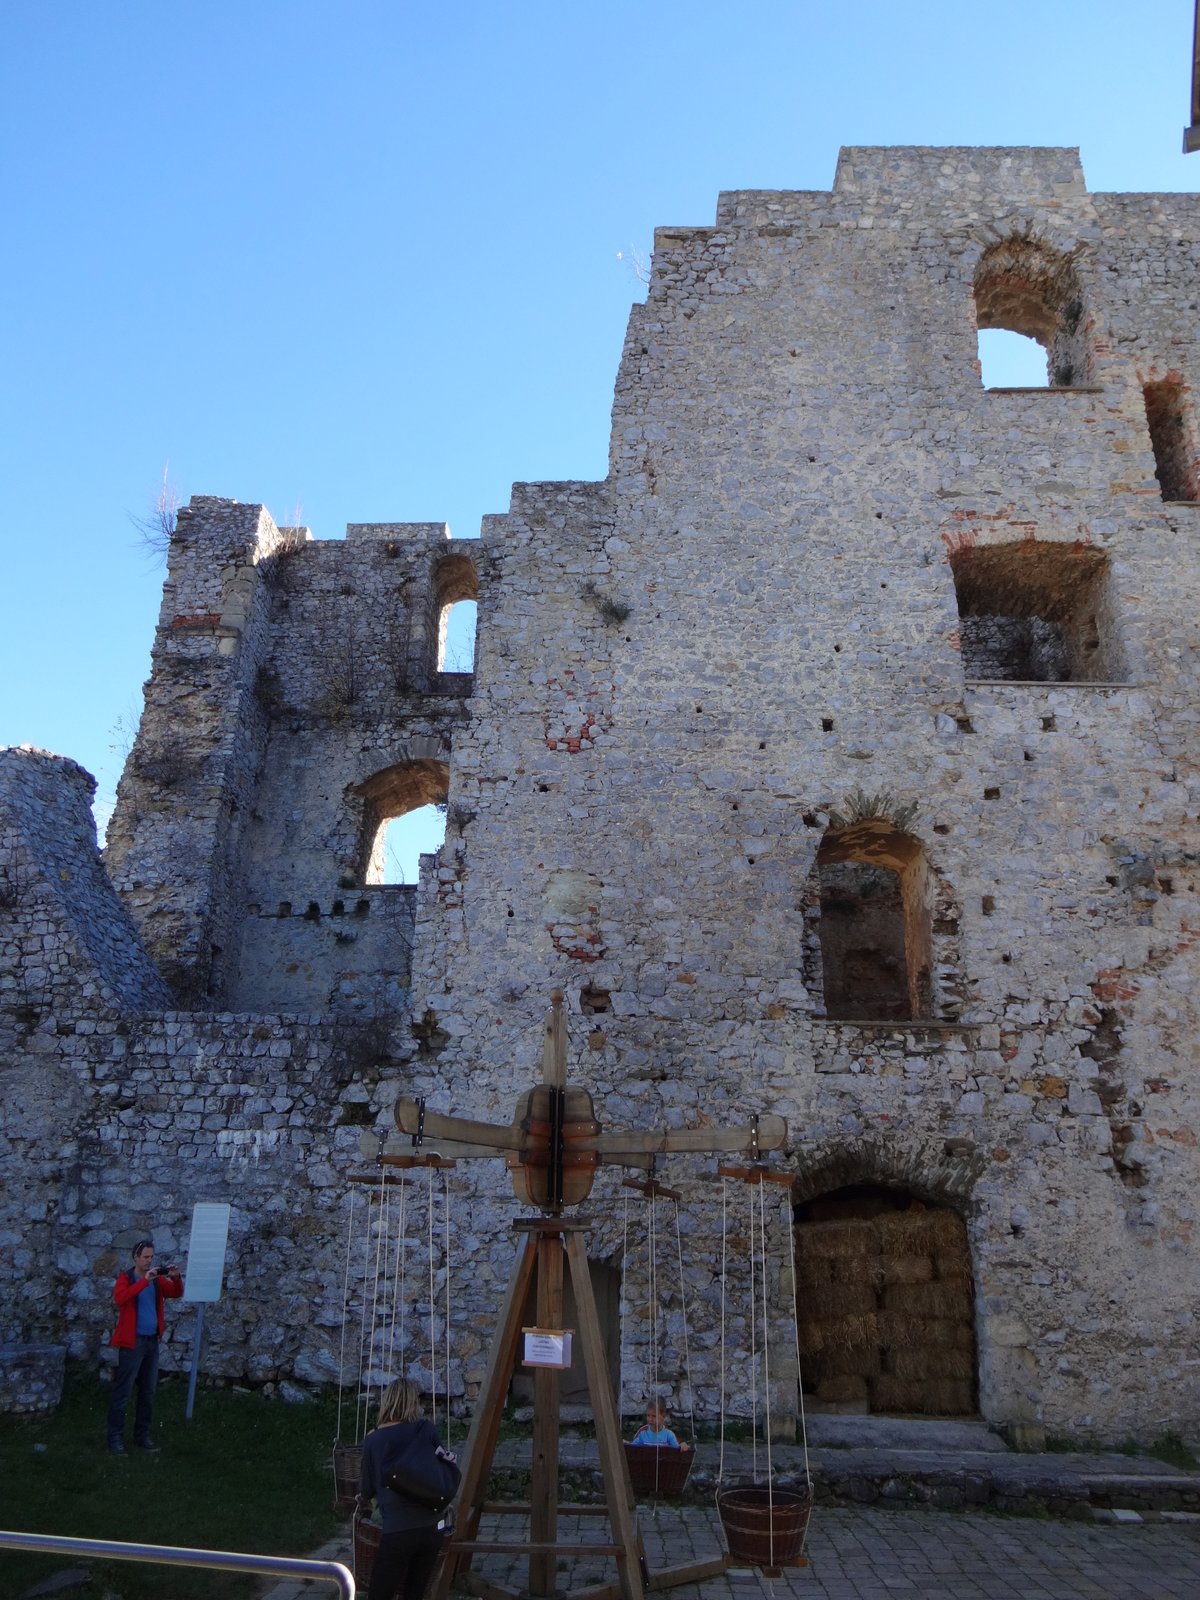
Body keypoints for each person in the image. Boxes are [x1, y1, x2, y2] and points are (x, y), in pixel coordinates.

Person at [357, 1378, 451, 1600]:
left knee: (380, 1594)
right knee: (415, 1594)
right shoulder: (427, 1429)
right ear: (413, 1403)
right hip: (432, 1527)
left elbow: (366, 1489)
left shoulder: (374, 1440)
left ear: (387, 1401)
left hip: (398, 1530)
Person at [105, 1238, 184, 1455]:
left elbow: (175, 1293)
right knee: (123, 1392)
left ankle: (142, 1436)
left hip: (151, 1341)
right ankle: (115, 1438)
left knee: (148, 1392)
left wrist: (175, 1278)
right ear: (136, 1258)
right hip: (132, 1342)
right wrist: (144, 1281)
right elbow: (121, 1298)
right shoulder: (127, 1278)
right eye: (145, 1257)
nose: (149, 1261)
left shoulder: (156, 1280)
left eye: (151, 1257)